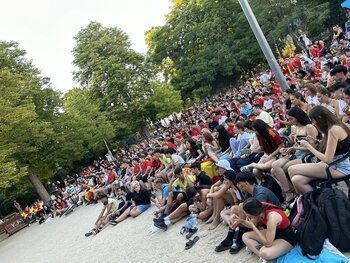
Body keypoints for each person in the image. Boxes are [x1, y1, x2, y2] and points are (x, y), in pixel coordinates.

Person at [215, 171, 281, 254]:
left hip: (271, 218)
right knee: (235, 208)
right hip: (262, 215)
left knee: (240, 210)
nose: (238, 186)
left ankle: (237, 237)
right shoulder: (250, 192)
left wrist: (241, 220)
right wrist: (233, 215)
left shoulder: (260, 194)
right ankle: (231, 236)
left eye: (239, 183)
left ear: (246, 183)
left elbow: (256, 216)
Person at [289, 106, 350, 194]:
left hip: (339, 167)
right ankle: (318, 203)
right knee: (297, 180)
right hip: (335, 163)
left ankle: (307, 200)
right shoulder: (337, 126)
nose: (313, 123)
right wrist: (316, 142)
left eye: (313, 120)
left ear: (320, 118)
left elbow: (327, 159)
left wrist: (309, 146)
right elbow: (336, 146)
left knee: (291, 169)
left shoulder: (333, 130)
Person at [270, 107, 318, 207]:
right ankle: (291, 192)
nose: (289, 121)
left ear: (297, 117)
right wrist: (288, 148)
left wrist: (294, 148)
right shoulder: (296, 128)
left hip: (308, 155)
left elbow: (313, 147)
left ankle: (292, 193)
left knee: (279, 170)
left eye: (291, 119)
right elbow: (297, 144)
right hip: (296, 153)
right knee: (274, 168)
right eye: (288, 119)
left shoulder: (309, 127)